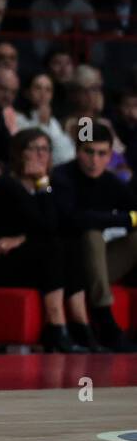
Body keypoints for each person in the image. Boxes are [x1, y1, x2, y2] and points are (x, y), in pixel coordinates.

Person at [0, 128, 94, 353]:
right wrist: (42, 183)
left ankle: (81, 325)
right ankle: (56, 326)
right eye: (34, 149)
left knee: (71, 246)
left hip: (11, 257)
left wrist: (24, 237)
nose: (40, 155)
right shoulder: (7, 186)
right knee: (52, 248)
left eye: (45, 149)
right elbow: (45, 226)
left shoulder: (43, 187)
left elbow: (58, 225)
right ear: (19, 153)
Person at [53, 124, 137, 352]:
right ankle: (104, 320)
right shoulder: (62, 176)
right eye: (88, 152)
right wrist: (126, 219)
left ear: (110, 156)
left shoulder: (111, 182)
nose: (94, 160)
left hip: (98, 268)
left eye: (102, 154)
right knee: (92, 235)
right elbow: (74, 219)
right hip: (70, 266)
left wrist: (128, 219)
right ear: (77, 150)